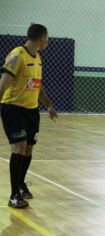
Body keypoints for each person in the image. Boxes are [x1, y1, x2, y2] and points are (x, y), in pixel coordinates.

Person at [0, 23, 58, 208]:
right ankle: (14, 195)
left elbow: (37, 86)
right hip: (13, 108)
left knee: (28, 150)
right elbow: (3, 84)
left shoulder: (38, 58)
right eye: (47, 37)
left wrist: (48, 105)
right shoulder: (17, 55)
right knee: (19, 147)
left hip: (31, 111)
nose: (48, 40)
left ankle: (21, 184)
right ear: (41, 38)